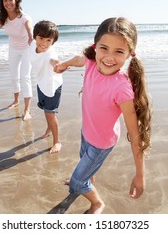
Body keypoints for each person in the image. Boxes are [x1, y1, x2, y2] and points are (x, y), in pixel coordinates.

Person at [54, 17, 152, 214]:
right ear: (95, 46)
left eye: (119, 51)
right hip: (87, 132)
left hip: (102, 143)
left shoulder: (122, 89)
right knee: (83, 162)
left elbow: (135, 134)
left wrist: (140, 174)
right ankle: (86, 178)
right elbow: (77, 59)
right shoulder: (91, 63)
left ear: (129, 55)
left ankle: (97, 202)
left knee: (76, 182)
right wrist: (63, 65)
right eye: (104, 48)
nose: (109, 57)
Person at [0, 0, 33, 120]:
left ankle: (27, 110)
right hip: (13, 49)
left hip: (26, 48)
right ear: (2, 3)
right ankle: (16, 100)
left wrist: (31, 36)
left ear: (16, 1)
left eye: (10, 0)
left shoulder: (24, 17)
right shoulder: (4, 19)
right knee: (14, 76)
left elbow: (29, 26)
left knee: (25, 77)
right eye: (5, 0)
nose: (8, 3)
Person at [30, 20, 62, 154]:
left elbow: (53, 60)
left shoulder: (50, 54)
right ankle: (49, 129)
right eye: (41, 38)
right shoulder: (33, 45)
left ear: (53, 42)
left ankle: (57, 141)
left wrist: (57, 64)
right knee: (45, 110)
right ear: (35, 37)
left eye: (48, 40)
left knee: (50, 113)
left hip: (51, 87)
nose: (43, 43)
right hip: (41, 83)